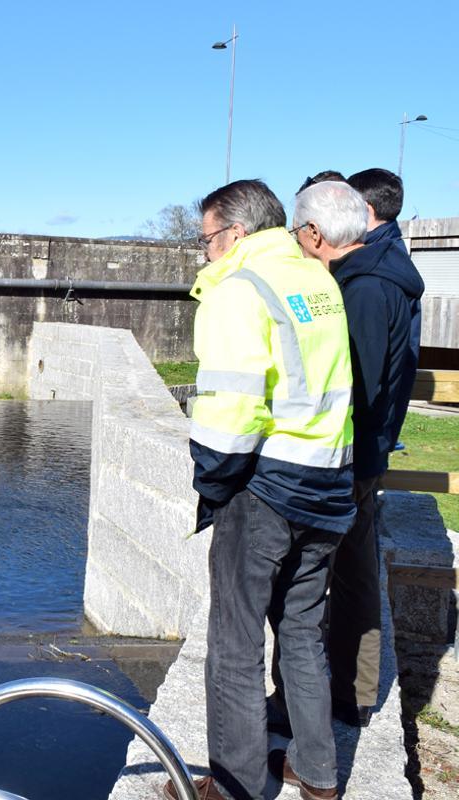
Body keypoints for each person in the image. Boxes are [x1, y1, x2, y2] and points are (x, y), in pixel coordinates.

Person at [167, 179, 355, 800]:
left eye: (206, 238)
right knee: (301, 630)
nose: (204, 251)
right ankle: (318, 774)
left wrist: (213, 486)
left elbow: (231, 414)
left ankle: (234, 786)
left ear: (237, 232)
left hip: (266, 487)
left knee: (235, 643)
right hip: (329, 480)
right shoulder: (317, 280)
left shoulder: (237, 289)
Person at [299, 177, 425, 726]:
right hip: (364, 451)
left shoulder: (367, 288)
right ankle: (353, 692)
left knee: (334, 575)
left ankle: (345, 694)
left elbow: (361, 382)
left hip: (351, 455)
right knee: (353, 568)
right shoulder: (379, 273)